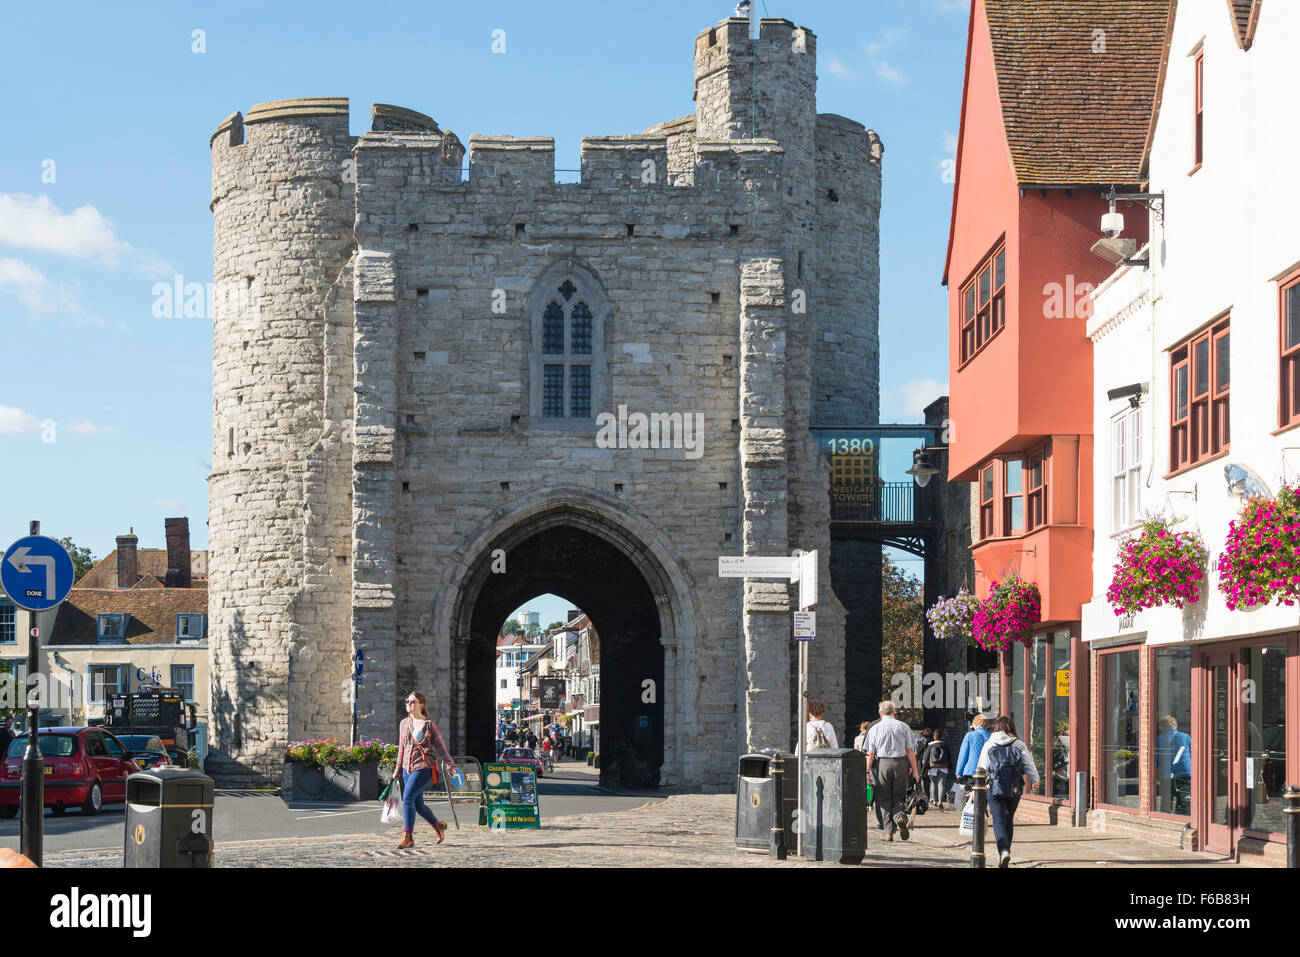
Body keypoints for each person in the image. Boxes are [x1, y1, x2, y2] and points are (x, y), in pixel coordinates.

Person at [394, 690, 456, 850]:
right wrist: (398, 768)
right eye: (407, 701)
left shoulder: (429, 725)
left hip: (423, 766)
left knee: (407, 798)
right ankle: (438, 826)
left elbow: (440, 747)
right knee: (418, 804)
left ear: (421, 705)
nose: (409, 704)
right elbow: (401, 748)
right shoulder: (403, 723)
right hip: (407, 768)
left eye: (412, 701)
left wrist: (450, 765)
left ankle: (408, 837)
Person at [976, 715, 1039, 867]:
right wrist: (1035, 779)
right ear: (1011, 728)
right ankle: (1006, 851)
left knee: (998, 821)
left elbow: (981, 767)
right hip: (1014, 787)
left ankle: (1003, 851)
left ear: (997, 728)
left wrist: (977, 787)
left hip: (994, 787)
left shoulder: (990, 743)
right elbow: (1028, 763)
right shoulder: (1018, 744)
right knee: (1008, 819)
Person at [862, 700, 920, 841]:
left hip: (883, 764)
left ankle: (888, 831)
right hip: (901, 764)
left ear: (880, 713)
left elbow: (870, 753)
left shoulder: (875, 728)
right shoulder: (903, 727)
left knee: (884, 798)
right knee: (899, 796)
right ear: (894, 712)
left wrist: (867, 772)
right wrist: (915, 770)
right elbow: (910, 750)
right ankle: (899, 816)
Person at [1155, 715, 1191, 815]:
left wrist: (1156, 772)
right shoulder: (1186, 737)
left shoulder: (1160, 739)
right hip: (1185, 772)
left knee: (1166, 801)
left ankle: (1167, 818)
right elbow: (1191, 754)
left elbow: (1158, 758)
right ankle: (1183, 818)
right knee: (1184, 801)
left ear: (1163, 727)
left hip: (1167, 773)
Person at [953, 713, 991, 807]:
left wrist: (959, 772)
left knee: (971, 797)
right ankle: (981, 818)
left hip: (971, 771)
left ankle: (972, 817)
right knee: (983, 796)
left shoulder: (969, 735)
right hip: (986, 771)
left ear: (976, 724)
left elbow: (963, 754)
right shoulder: (991, 736)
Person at [922, 729, 950, 810]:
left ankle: (934, 800)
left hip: (932, 767)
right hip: (943, 767)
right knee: (941, 785)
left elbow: (926, 758)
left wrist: (923, 770)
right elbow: (949, 757)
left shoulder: (930, 745)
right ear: (941, 736)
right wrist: (950, 767)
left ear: (934, 737)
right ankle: (941, 801)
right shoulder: (945, 745)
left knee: (933, 784)